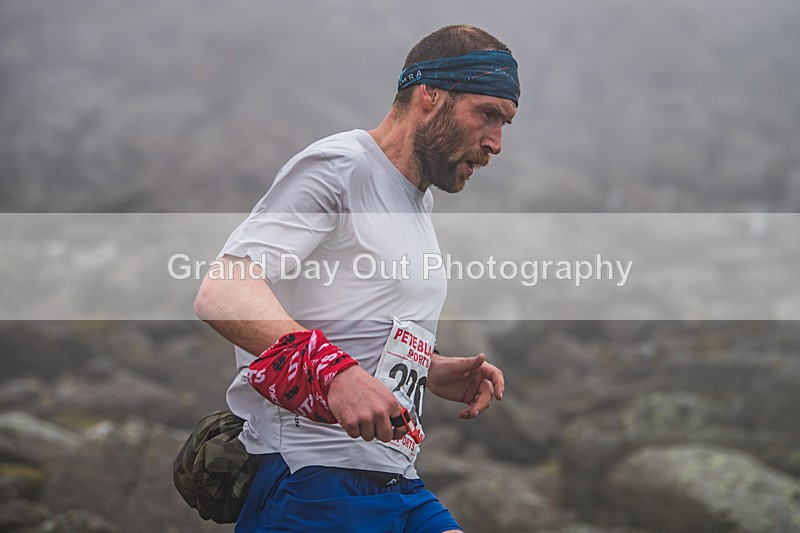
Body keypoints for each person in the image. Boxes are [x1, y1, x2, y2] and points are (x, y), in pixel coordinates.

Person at [194, 24, 519, 533]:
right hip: (311, 482)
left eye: (505, 123)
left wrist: (428, 368)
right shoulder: (338, 167)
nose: (496, 143)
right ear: (429, 95)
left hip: (397, 480)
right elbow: (223, 290)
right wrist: (335, 373)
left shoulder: (416, 199)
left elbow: (355, 310)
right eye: (488, 114)